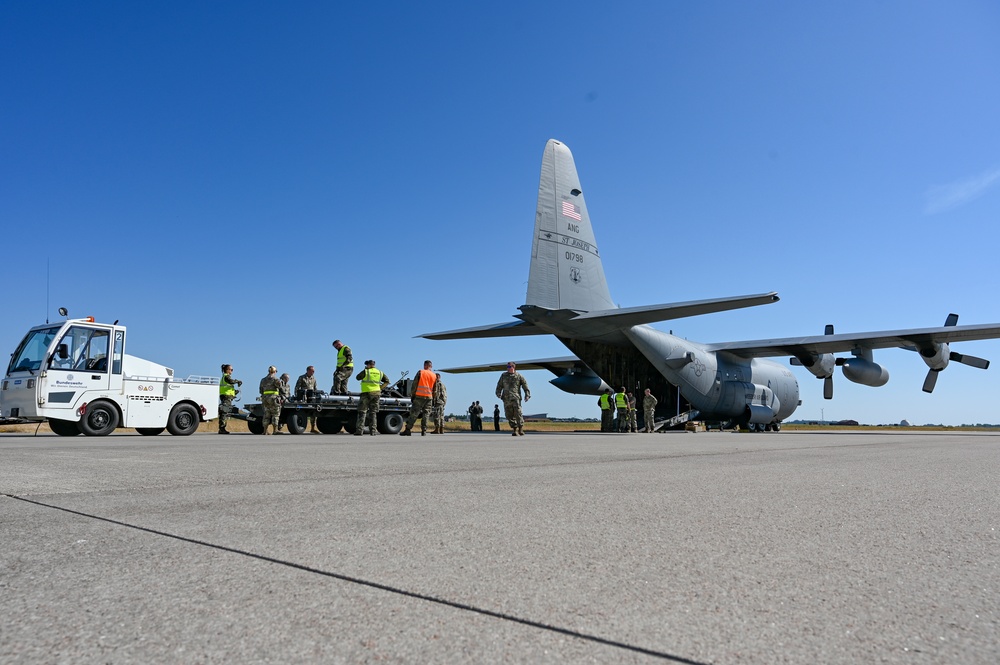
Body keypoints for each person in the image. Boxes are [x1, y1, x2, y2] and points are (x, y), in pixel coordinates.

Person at [401, 360, 436, 436]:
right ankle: (424, 430)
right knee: (426, 414)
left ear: (425, 365)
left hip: (419, 396)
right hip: (429, 397)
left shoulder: (421, 372)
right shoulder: (434, 375)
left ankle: (408, 429)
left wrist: (412, 395)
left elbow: (414, 384)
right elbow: (435, 389)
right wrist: (433, 397)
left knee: (414, 413)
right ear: (431, 366)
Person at [495, 361, 530, 436]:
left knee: (518, 413)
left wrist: (527, 395)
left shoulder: (519, 376)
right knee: (509, 415)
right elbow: (499, 385)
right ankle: (514, 430)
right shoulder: (503, 375)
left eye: (509, 367)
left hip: (516, 398)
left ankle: (520, 429)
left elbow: (525, 386)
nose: (508, 368)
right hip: (506, 398)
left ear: (513, 367)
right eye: (507, 367)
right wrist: (498, 393)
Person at [355, 359, 389, 436]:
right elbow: (387, 381)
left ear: (369, 365)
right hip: (376, 393)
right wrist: (380, 388)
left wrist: (365, 370)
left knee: (362, 412)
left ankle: (359, 430)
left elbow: (357, 377)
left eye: (367, 365)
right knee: (373, 413)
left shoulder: (366, 371)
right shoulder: (380, 372)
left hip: (366, 393)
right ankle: (373, 431)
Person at [295, 365, 320, 433]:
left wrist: (316, 396)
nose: (313, 372)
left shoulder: (314, 379)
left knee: (313, 413)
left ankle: (312, 428)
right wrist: (297, 396)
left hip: (311, 397)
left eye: (314, 371)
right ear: (308, 370)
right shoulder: (302, 378)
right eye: (312, 371)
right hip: (303, 397)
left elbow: (315, 388)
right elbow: (297, 387)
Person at [218, 364, 242, 434]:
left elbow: (228, 388)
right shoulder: (226, 376)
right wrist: (237, 381)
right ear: (227, 370)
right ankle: (222, 429)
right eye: (231, 369)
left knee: (225, 412)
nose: (232, 371)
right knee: (224, 413)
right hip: (226, 397)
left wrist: (235, 392)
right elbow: (231, 381)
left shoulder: (224, 377)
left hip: (226, 396)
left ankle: (222, 428)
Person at [259, 365, 282, 435]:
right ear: (274, 371)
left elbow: (260, 390)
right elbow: (280, 386)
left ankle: (265, 431)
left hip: (265, 399)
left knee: (266, 414)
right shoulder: (275, 379)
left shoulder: (263, 380)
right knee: (275, 414)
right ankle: (275, 430)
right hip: (273, 399)